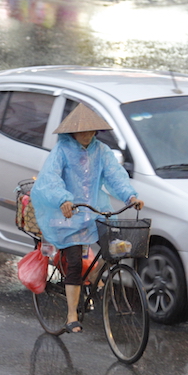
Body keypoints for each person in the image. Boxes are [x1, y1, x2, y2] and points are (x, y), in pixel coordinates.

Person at [31, 104, 143, 333]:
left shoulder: (101, 151)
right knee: (73, 263)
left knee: (114, 247)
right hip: (67, 216)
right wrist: (63, 199)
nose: (87, 134)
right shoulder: (61, 152)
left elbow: (115, 176)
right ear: (71, 132)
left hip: (93, 211)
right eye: (82, 130)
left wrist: (130, 196)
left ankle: (93, 273)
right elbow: (50, 179)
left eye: (91, 130)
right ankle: (71, 314)